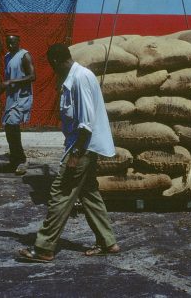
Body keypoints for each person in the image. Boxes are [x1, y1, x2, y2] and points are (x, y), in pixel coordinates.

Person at [18, 43, 120, 262]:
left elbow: (86, 124)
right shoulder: (74, 78)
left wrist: (75, 156)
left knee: (60, 194)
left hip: (82, 148)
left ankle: (44, 248)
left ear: (54, 62)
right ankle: (107, 242)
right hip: (83, 147)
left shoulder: (80, 79)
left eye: (51, 66)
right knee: (89, 194)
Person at [0, 32, 35, 175]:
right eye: (8, 43)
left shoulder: (25, 56)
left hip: (22, 97)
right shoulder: (7, 57)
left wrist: (12, 81)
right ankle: (15, 160)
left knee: (12, 126)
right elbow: (6, 81)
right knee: (9, 130)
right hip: (11, 98)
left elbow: (32, 76)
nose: (10, 45)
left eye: (13, 42)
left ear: (19, 41)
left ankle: (22, 160)